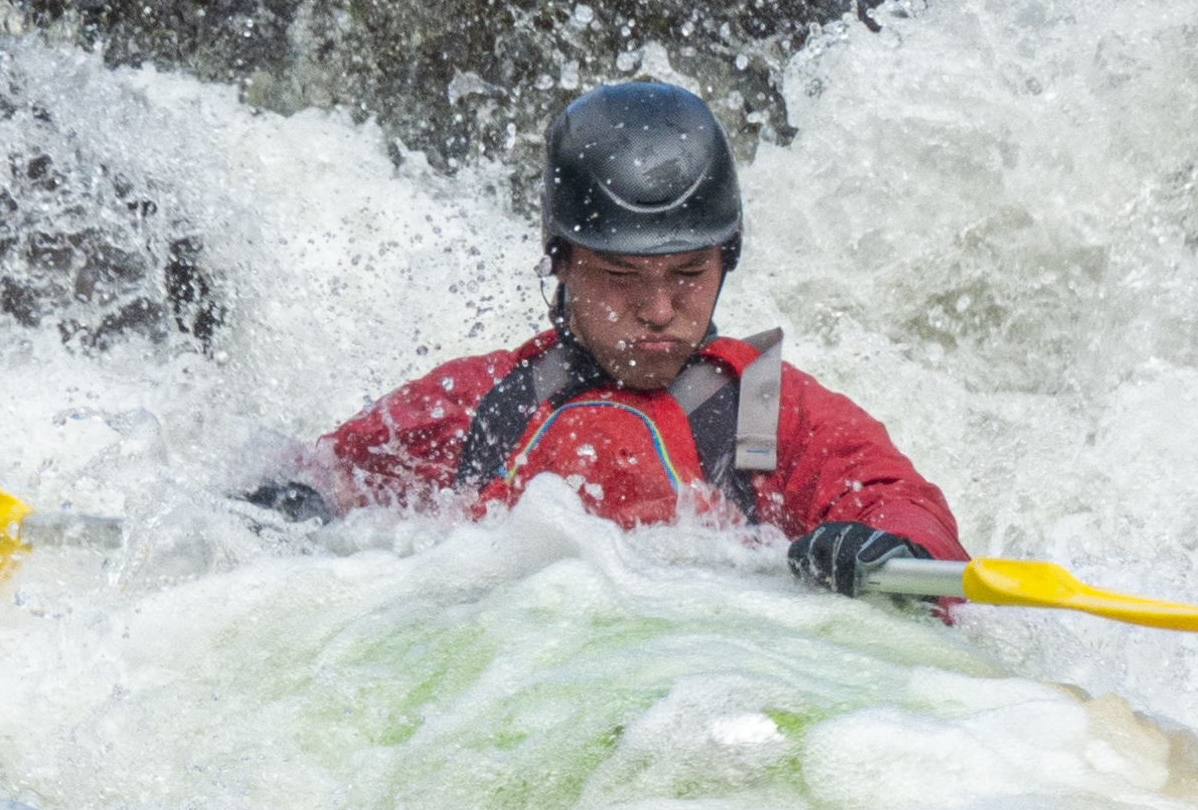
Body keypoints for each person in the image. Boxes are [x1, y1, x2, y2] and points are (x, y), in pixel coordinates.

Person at [254, 81, 968, 596]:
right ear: (560, 260)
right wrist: (286, 505)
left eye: (690, 272)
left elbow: (906, 509)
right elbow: (317, 477)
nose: (659, 309)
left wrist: (890, 549)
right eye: (620, 275)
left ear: (730, 257)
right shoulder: (483, 404)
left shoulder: (762, 408)